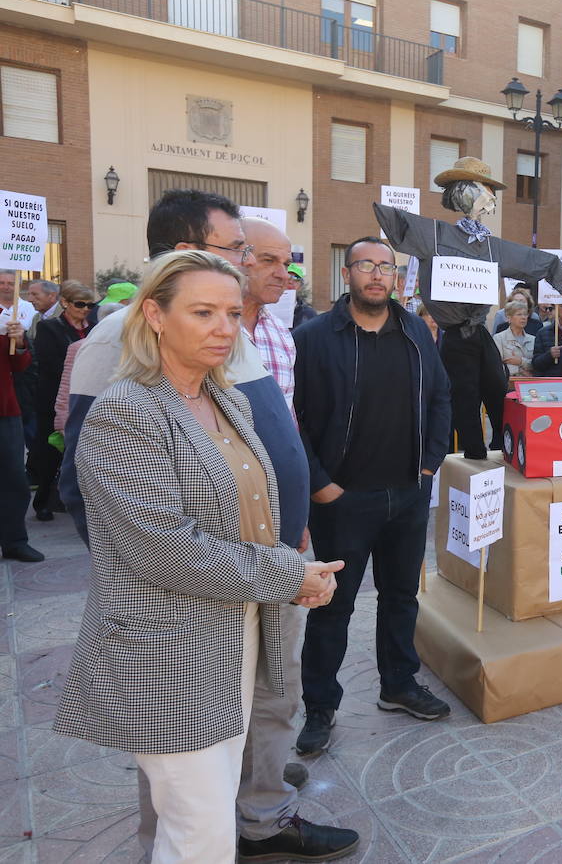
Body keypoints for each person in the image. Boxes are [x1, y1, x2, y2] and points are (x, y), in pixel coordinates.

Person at [59, 189, 357, 861]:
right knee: (197, 832)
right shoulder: (128, 409)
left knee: (205, 811)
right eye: (204, 312)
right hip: (173, 640)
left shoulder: (216, 392)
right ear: (155, 314)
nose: (224, 327)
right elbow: (163, 545)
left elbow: (251, 490)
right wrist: (287, 573)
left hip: (239, 620)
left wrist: (292, 556)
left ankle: (261, 808)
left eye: (230, 311)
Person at [292, 237, 453, 754]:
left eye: (388, 268)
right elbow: (293, 421)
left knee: (401, 597)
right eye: (368, 266)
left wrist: (429, 466)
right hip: (344, 500)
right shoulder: (314, 337)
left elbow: (441, 397)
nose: (379, 275)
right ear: (347, 274)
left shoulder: (415, 332)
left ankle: (398, 684)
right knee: (331, 607)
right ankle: (320, 705)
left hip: (407, 493)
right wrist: (322, 483)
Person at [372, 156, 562, 459]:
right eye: (486, 188)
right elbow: (393, 221)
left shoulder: (491, 246)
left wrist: (559, 274)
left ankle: (503, 450)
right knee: (463, 401)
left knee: (498, 391)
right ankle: (475, 457)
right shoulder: (436, 236)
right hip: (455, 336)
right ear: (467, 192)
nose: (492, 197)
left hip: (479, 333)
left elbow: (526, 258)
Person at [29, 281, 99, 520]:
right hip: (54, 397)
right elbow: (49, 363)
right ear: (65, 303)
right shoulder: (50, 328)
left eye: (91, 304)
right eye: (80, 304)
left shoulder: (96, 327)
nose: (86, 309)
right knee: (51, 451)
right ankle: (43, 501)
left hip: (87, 396)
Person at [238, 218, 296, 413]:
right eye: (268, 260)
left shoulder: (281, 332)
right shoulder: (203, 329)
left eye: (286, 264)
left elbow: (287, 416)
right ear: (238, 258)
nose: (283, 274)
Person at [2, 312, 40, 562]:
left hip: (5, 411)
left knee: (14, 480)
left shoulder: (5, 323)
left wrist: (20, 341)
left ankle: (15, 541)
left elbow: (20, 364)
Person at [491, 299, 536, 385]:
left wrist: (521, 362)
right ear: (509, 318)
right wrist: (520, 371)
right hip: (507, 384)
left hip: (529, 384)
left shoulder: (533, 339)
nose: (523, 317)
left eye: (525, 314)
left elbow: (536, 364)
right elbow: (497, 365)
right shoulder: (499, 338)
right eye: (519, 314)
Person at [286, 264, 318, 328]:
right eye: (287, 277)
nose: (291, 282)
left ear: (300, 285)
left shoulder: (309, 314)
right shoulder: (266, 310)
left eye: (296, 279)